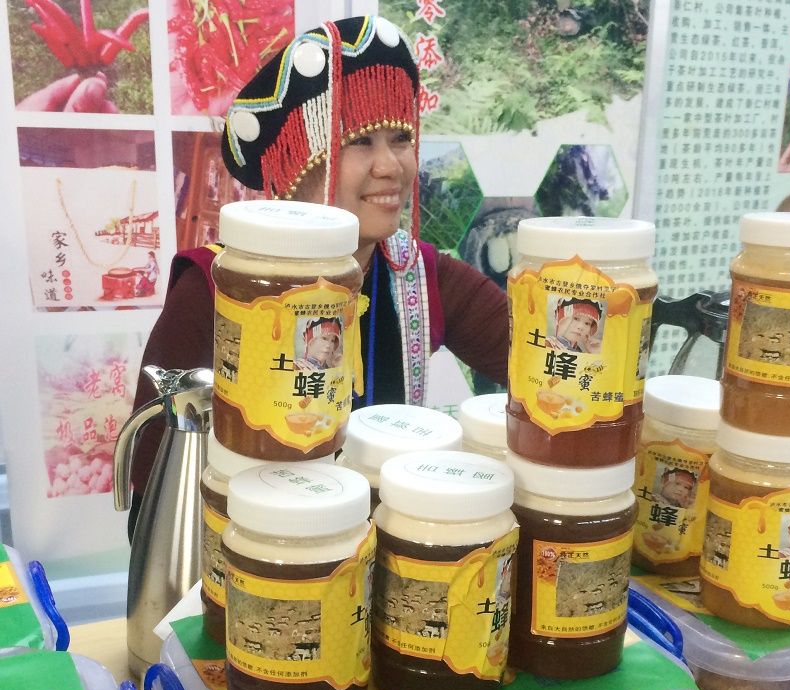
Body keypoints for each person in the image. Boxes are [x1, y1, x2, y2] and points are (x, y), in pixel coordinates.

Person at [127, 16, 509, 534]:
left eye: (400, 139)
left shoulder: (420, 274)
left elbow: (533, 357)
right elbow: (155, 484)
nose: (390, 166)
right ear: (296, 163)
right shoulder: (218, 286)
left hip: (393, 562)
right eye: (359, 141)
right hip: (256, 559)